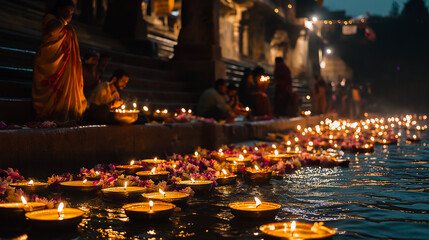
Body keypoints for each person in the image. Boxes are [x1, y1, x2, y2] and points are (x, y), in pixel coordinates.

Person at [32, 0, 87, 122]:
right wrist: (63, 20)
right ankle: (49, 117)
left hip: (65, 65)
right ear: (58, 9)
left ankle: (64, 117)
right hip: (51, 64)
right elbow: (52, 31)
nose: (69, 14)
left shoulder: (68, 26)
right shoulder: (50, 18)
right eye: (66, 11)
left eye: (71, 12)